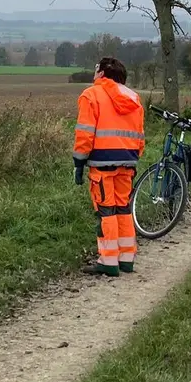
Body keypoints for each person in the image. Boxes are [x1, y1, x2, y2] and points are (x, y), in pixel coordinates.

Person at [72, 56, 146, 277]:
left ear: (102, 73)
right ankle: (126, 258)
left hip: (101, 163)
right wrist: (133, 155)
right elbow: (140, 135)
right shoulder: (134, 97)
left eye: (96, 71)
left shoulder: (91, 95)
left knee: (105, 211)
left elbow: (85, 133)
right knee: (123, 208)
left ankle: (108, 260)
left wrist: (79, 161)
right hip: (128, 161)